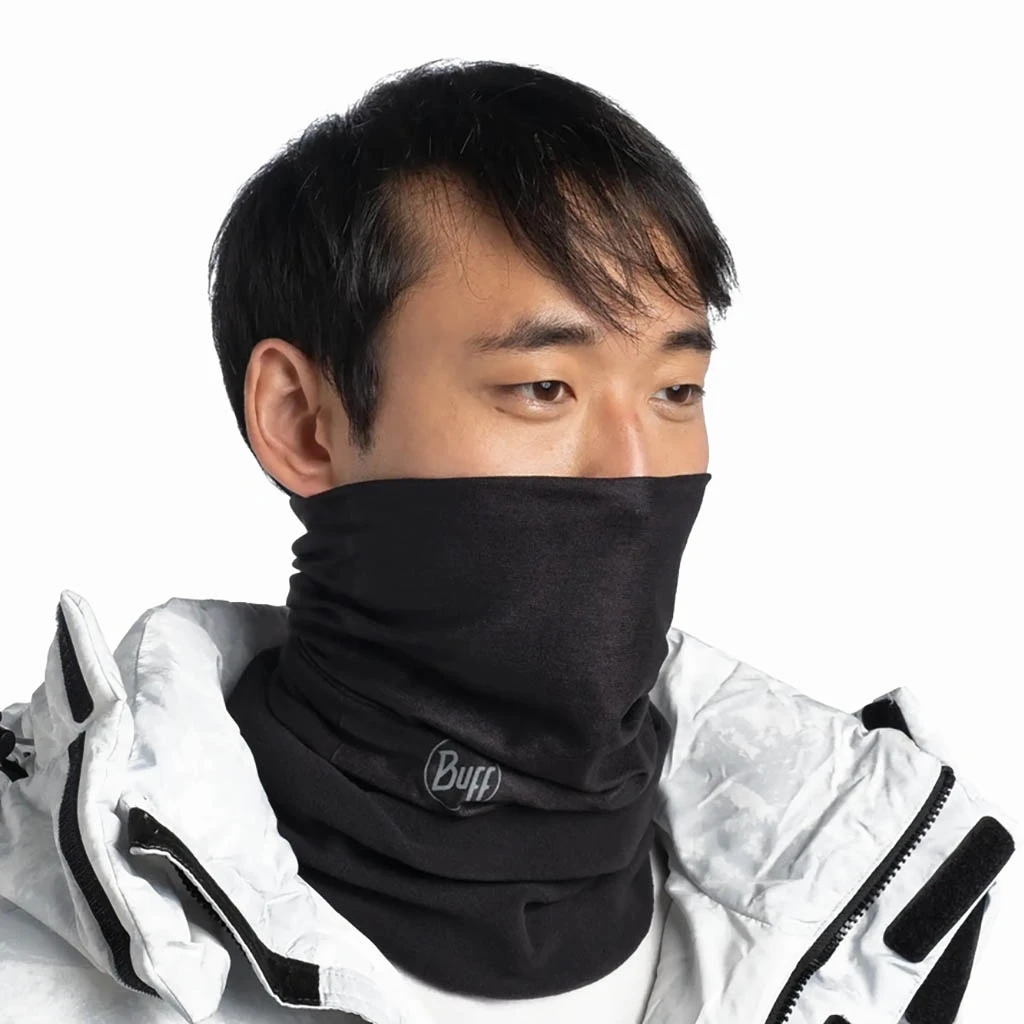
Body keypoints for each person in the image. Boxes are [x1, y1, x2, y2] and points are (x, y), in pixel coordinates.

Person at [0, 58, 1014, 1024]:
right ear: (303, 422)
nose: (631, 469)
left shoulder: (867, 923)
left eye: (676, 391)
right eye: (543, 387)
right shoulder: (29, 937)